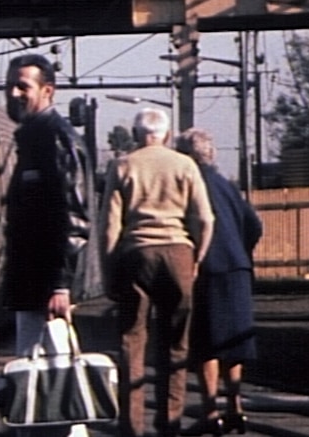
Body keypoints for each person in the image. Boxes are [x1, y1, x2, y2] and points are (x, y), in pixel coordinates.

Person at [100, 108, 215, 437]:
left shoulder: (122, 166)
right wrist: (196, 258)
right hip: (179, 253)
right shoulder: (185, 165)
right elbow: (206, 219)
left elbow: (110, 226)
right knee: (176, 345)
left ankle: (132, 427)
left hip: (136, 256)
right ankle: (169, 423)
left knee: (131, 342)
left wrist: (109, 271)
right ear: (165, 134)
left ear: (137, 135)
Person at [2, 53, 95, 357]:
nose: (13, 94)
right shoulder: (36, 137)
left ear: (47, 91)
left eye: (22, 87)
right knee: (38, 379)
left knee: (45, 378)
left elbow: (74, 215)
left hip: (45, 285)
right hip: (34, 282)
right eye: (9, 86)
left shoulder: (55, 139)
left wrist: (60, 284)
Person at [176, 128, 262, 436]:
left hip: (207, 268)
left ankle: (211, 411)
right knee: (234, 340)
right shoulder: (227, 185)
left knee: (206, 341)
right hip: (236, 267)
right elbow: (253, 223)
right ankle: (235, 407)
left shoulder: (189, 183)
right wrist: (241, 250)